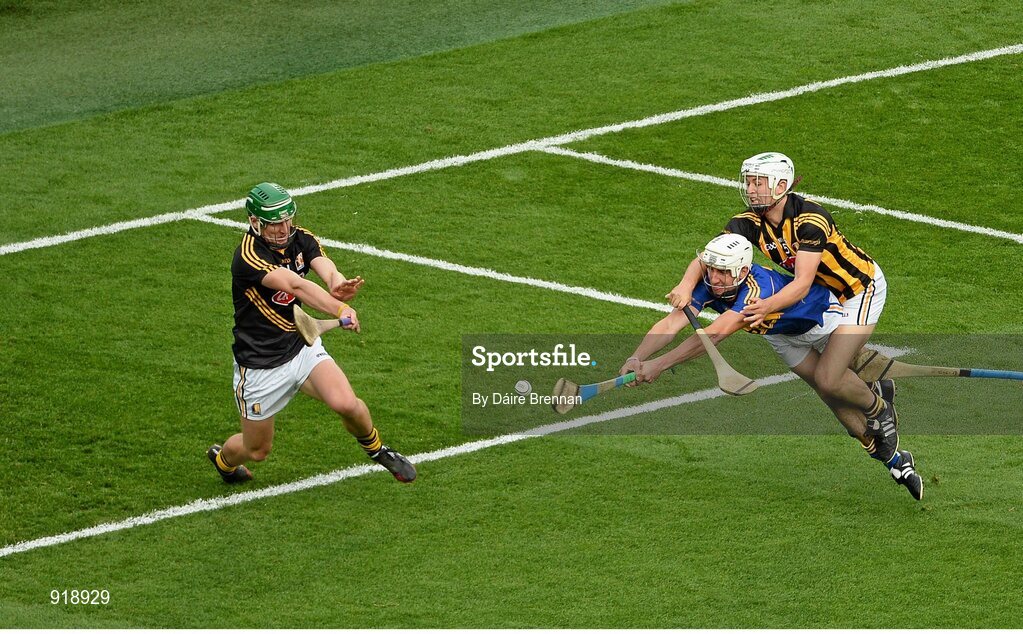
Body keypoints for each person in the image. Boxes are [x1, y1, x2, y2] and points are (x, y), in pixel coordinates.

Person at [665, 153, 907, 487]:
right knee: (827, 387)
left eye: (758, 182)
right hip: (823, 292)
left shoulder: (810, 220)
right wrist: (685, 283)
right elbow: (710, 256)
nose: (751, 189)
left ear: (781, 186)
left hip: (857, 290)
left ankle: (879, 408)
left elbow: (802, 284)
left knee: (828, 378)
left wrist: (765, 306)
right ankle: (875, 409)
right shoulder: (749, 221)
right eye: (749, 182)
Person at [628, 234, 922, 500]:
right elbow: (671, 323)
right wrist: (637, 358)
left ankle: (877, 401)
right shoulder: (711, 284)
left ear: (743, 271)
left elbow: (714, 335)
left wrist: (659, 365)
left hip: (820, 319)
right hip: (780, 335)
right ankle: (895, 460)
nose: (714, 278)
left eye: (722, 272)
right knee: (829, 396)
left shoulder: (757, 289)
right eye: (711, 269)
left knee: (831, 382)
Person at [207, 182, 416, 484]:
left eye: (286, 221)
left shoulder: (300, 239)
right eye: (274, 224)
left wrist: (337, 283)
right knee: (257, 450)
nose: (283, 229)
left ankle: (379, 451)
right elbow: (297, 286)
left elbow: (324, 266)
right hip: (260, 364)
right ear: (255, 222)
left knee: (346, 403)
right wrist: (338, 309)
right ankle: (224, 462)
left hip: (301, 345)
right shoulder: (249, 256)